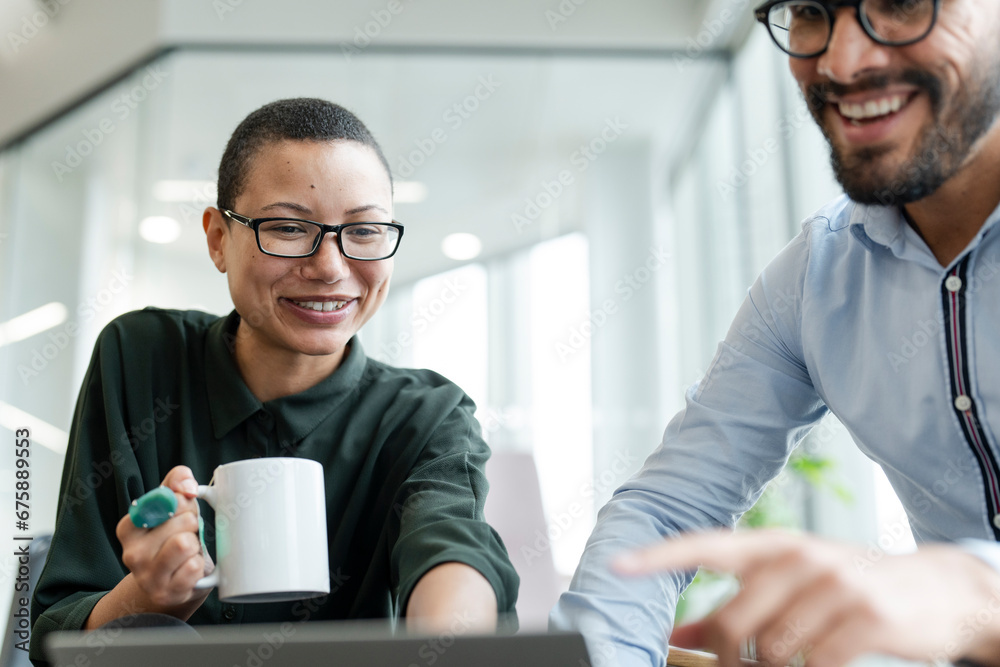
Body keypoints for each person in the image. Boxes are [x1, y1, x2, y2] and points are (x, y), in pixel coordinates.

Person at [550, 0, 1000, 665]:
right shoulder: (816, 275)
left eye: (902, 3)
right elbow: (665, 513)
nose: (841, 63)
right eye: (813, 12)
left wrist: (972, 589)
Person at [30, 98, 518, 664]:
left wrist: (450, 641)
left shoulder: (426, 414)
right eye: (287, 228)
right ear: (217, 239)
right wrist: (150, 598)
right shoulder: (141, 358)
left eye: (363, 231)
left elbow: (449, 541)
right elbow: (54, 636)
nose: (331, 267)